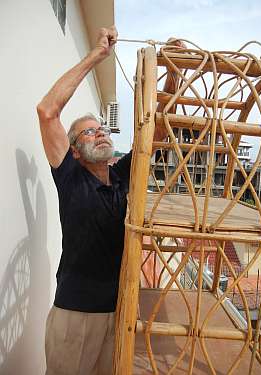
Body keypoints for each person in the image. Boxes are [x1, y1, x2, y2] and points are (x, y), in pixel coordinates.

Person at [37, 26, 182, 375]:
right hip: (75, 316)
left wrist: (172, 78)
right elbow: (46, 111)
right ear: (74, 149)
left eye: (101, 127)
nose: (101, 131)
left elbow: (156, 133)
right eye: (90, 130)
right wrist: (97, 55)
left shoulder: (120, 177)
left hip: (117, 314)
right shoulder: (70, 177)